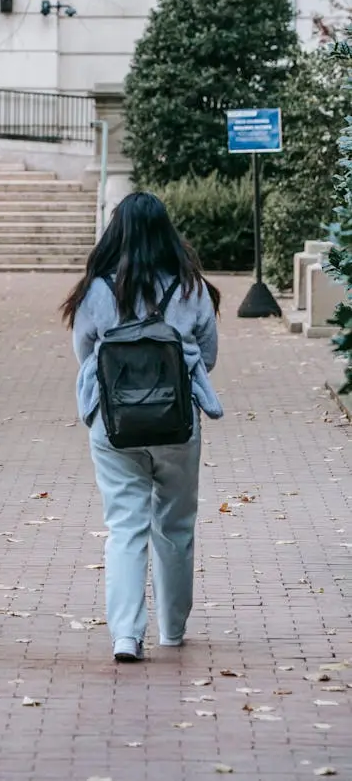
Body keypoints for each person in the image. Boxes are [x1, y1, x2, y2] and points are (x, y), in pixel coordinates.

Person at [61, 192, 222, 663]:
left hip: (114, 425)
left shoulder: (95, 291)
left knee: (124, 527)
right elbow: (207, 356)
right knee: (176, 525)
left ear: (118, 232)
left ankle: (126, 635)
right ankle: (172, 628)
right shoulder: (191, 288)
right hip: (177, 425)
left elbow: (84, 353)